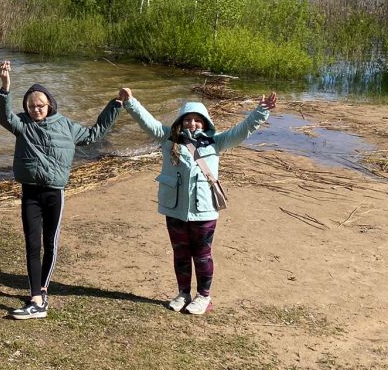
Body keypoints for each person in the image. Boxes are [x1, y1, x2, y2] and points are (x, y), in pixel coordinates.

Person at [118, 88, 277, 315]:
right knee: (180, 253)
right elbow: (148, 122)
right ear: (180, 122)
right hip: (175, 209)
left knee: (202, 255)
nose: (192, 124)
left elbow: (244, 129)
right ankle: (183, 293)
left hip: (204, 211)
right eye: (187, 120)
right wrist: (130, 102)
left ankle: (203, 297)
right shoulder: (168, 139)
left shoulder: (217, 142)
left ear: (205, 123)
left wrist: (261, 111)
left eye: (197, 120)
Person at [0, 60, 122, 319]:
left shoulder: (66, 126)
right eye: (31, 106)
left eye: (40, 106)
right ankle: (35, 297)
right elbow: (4, 116)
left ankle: (42, 290)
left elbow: (93, 134)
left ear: (50, 104)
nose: (35, 110)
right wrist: (5, 87)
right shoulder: (22, 125)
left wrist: (115, 105)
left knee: (50, 243)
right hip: (30, 192)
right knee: (32, 244)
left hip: (55, 192)